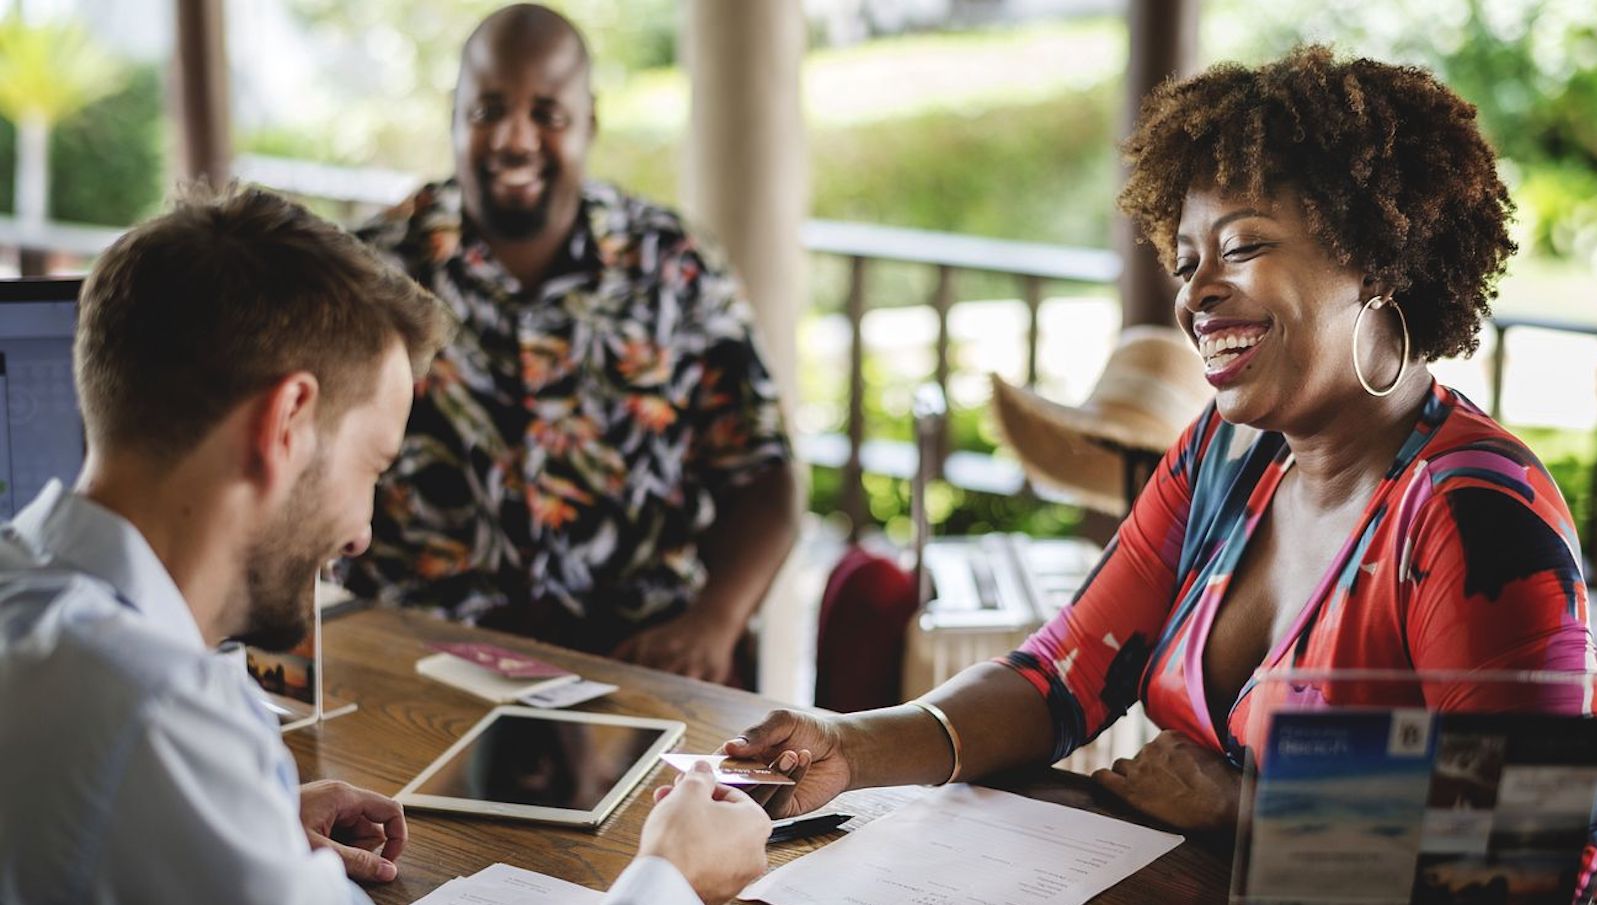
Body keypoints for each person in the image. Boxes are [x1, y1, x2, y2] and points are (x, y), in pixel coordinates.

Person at [727, 46, 1597, 836]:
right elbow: (1058, 676)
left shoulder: (1476, 514)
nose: (1196, 294)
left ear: (1376, 260)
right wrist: (849, 745)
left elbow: (1534, 833)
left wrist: (1249, 807)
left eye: (1243, 245)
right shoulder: (1222, 456)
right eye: (1185, 262)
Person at [0, 185, 770, 904]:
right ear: (286, 424)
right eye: (372, 464)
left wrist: (245, 825)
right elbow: (141, 757)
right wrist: (669, 874)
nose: (363, 532)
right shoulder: (158, 721)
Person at [345, 3, 798, 686]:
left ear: (590, 119)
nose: (514, 139)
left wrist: (716, 619)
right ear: (454, 112)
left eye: (547, 114)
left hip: (632, 663)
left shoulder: (674, 266)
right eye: (487, 110)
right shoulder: (371, 275)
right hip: (420, 666)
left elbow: (765, 478)